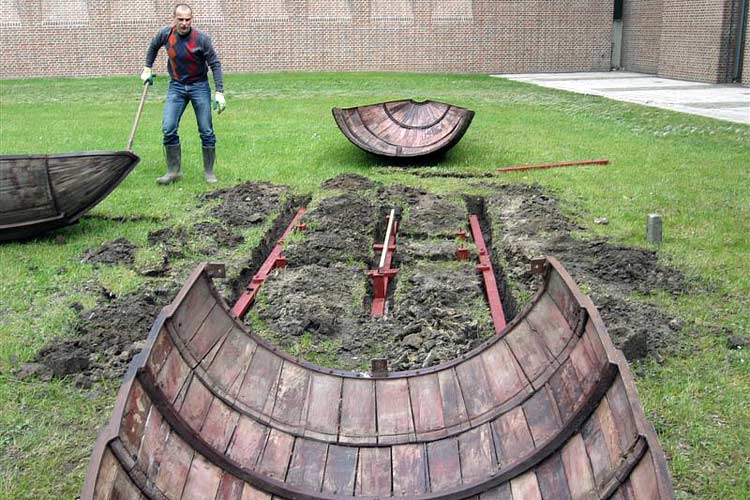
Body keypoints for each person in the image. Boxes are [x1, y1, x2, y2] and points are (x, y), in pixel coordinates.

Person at [140, 3, 225, 184]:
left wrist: (219, 92)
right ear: (174, 18)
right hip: (177, 86)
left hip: (199, 86)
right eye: (181, 19)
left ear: (191, 19)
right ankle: (174, 171)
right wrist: (147, 67)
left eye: (188, 19)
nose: (184, 23)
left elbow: (215, 64)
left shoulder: (201, 39)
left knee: (206, 130)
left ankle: (209, 172)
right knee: (168, 128)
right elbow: (153, 46)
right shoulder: (165, 34)